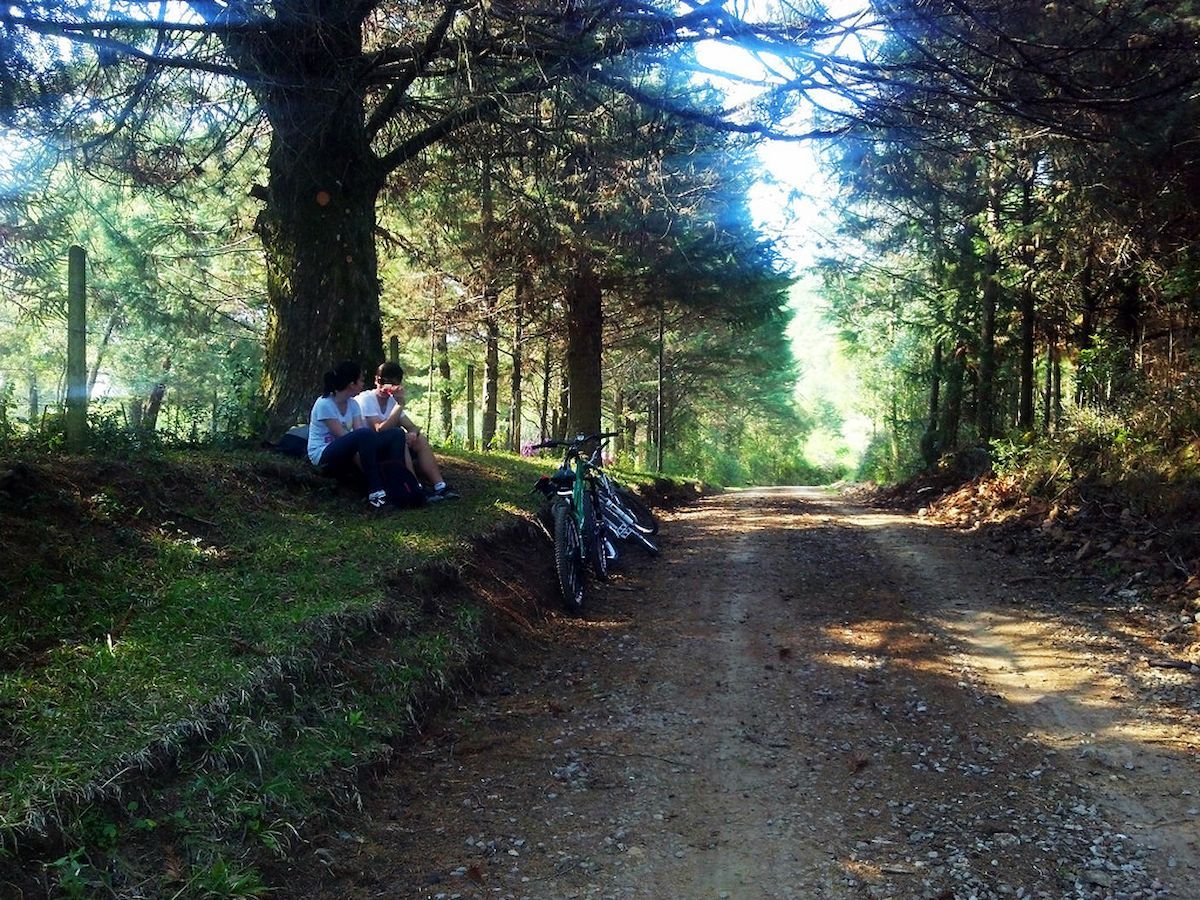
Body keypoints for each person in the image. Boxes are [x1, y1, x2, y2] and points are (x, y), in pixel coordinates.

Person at [356, 361, 459, 501]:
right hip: (369, 449)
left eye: (391, 383)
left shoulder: (392, 402)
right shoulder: (367, 399)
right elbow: (379, 429)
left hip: (390, 447)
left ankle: (439, 485)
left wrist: (413, 434)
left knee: (419, 439)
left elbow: (413, 426)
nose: (384, 387)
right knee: (399, 437)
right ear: (375, 380)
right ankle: (414, 487)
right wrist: (400, 405)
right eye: (381, 381)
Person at [308, 360, 391, 509]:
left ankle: (391, 486)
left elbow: (358, 434)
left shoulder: (353, 404)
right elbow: (344, 436)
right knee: (365, 435)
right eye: (360, 380)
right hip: (323, 454)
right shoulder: (325, 404)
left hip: (345, 449)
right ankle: (376, 492)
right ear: (351, 384)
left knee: (395, 434)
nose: (362, 384)